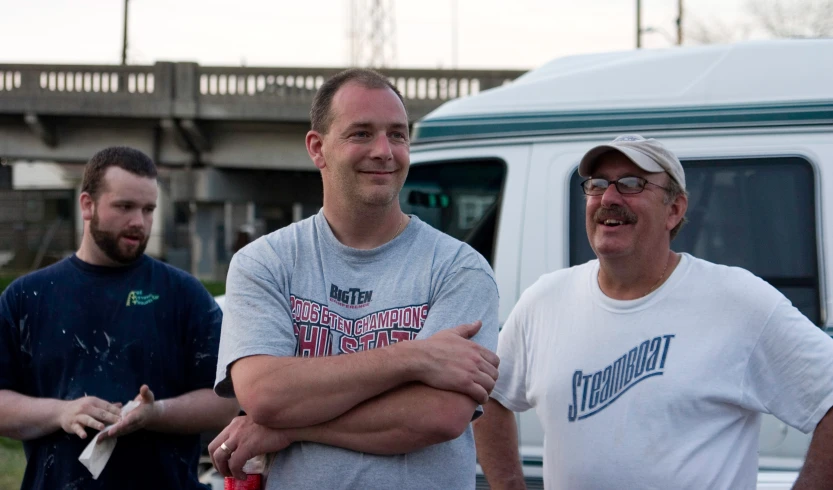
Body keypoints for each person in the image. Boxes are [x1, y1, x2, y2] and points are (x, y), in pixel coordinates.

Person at [473, 134, 833, 489]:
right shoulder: (545, 300)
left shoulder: (738, 301)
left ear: (674, 210)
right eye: (598, 184)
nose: (609, 198)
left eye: (632, 184)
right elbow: (490, 394)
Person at [209, 68, 500, 489]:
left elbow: (437, 415)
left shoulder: (460, 268)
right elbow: (265, 395)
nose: (384, 150)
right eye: (361, 133)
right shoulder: (265, 262)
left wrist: (290, 428)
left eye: (397, 135)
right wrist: (414, 357)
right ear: (317, 147)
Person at [0, 147, 239, 489]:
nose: (138, 222)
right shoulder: (27, 297)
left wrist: (156, 414)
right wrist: (61, 412)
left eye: (148, 209)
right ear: (87, 205)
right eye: (125, 206)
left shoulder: (184, 295)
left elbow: (226, 402)